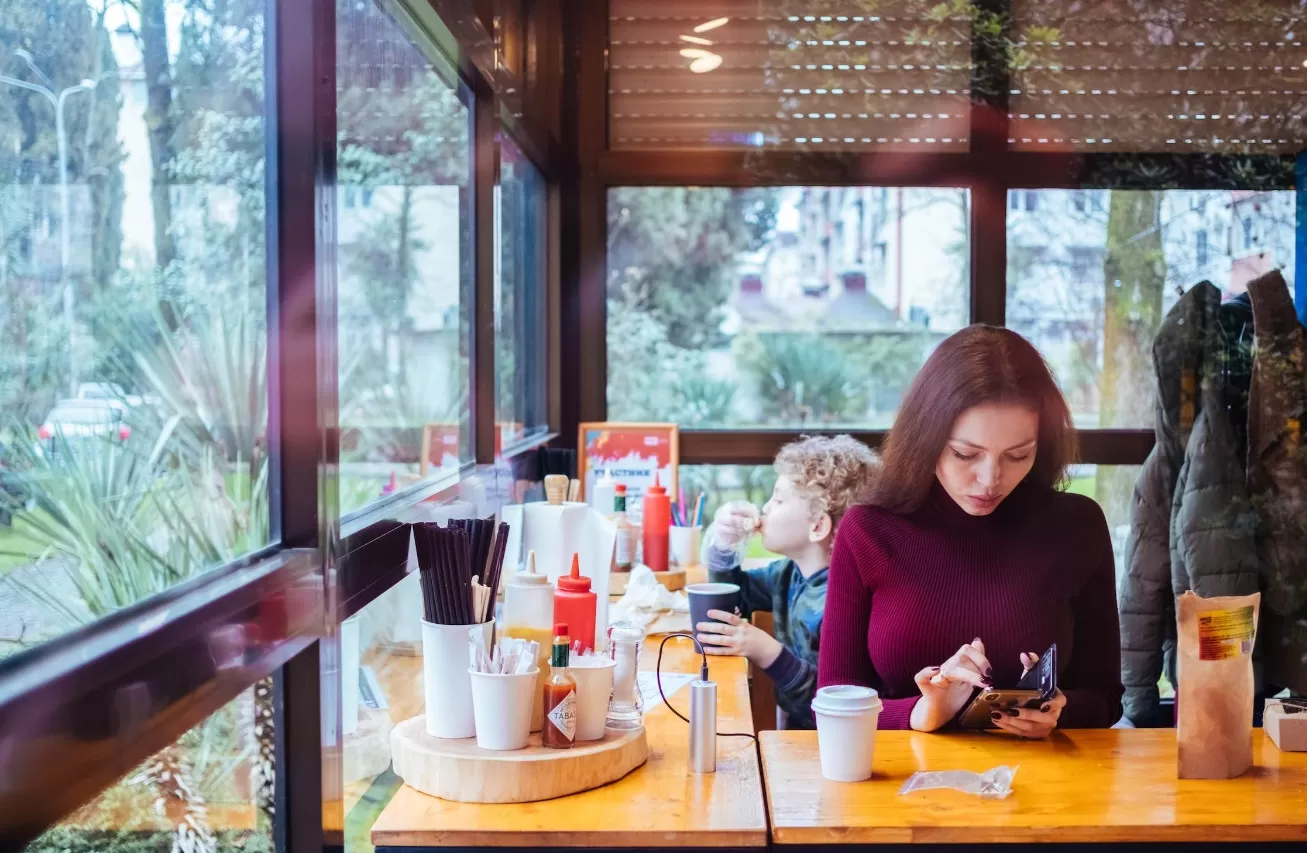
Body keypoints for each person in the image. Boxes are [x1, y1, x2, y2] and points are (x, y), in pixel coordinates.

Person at [817, 325, 1123, 738]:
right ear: (924, 438)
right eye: (965, 454)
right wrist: (922, 712)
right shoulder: (869, 530)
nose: (990, 480)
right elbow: (834, 700)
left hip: (1043, 789)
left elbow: (1105, 696)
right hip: (898, 786)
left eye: (1018, 455)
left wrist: (1057, 711)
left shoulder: (1076, 525)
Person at [695, 435, 879, 729]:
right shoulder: (787, 573)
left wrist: (766, 650)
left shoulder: (842, 601)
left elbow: (832, 704)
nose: (765, 508)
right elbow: (735, 597)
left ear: (818, 526)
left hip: (836, 743)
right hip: (798, 733)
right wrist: (724, 545)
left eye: (778, 499)